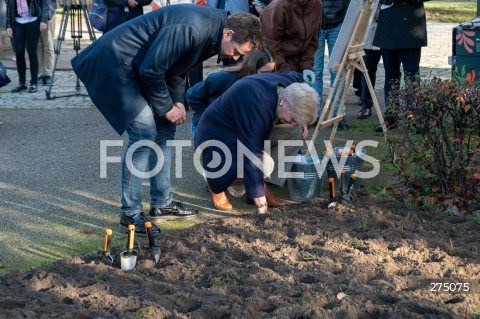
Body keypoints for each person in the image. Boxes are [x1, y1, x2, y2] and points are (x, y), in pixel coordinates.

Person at [71, 6, 263, 236]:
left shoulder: (212, 32)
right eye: (235, 52)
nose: (235, 58)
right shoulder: (193, 27)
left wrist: (178, 102)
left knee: (166, 129)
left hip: (139, 68)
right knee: (144, 133)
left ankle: (162, 203)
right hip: (115, 66)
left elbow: (176, 66)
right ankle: (129, 215)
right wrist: (166, 107)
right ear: (229, 34)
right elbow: (152, 70)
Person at [194, 72, 318, 214]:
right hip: (218, 139)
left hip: (242, 130)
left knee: (294, 132)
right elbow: (252, 155)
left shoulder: (289, 85)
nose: (294, 122)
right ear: (284, 101)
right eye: (294, 117)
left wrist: (302, 120)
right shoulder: (257, 106)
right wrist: (261, 205)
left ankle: (259, 186)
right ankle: (215, 182)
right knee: (265, 164)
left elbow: (298, 77)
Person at [187, 46, 276, 138]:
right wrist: (208, 116)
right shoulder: (224, 78)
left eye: (271, 72)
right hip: (209, 127)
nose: (268, 76)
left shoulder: (265, 84)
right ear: (252, 67)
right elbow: (192, 94)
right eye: (264, 72)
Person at [373, 0, 428, 131]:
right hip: (388, 26)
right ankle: (391, 117)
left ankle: (413, 118)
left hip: (411, 27)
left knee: (412, 76)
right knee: (391, 76)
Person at [260, 0, 322, 83]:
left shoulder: (317, 4)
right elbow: (270, 46)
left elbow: (313, 40)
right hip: (275, 65)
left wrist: (307, 65)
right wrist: (287, 73)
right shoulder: (279, 6)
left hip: (298, 66)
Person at [312, 0, 350, 129]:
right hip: (315, 25)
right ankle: (313, 114)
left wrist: (345, 23)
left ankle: (337, 114)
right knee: (315, 72)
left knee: (337, 71)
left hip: (337, 24)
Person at [6, 0, 48, 93]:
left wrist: (43, 20)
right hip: (17, 22)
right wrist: (8, 25)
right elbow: (9, 5)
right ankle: (22, 83)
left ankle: (34, 83)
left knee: (32, 51)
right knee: (19, 52)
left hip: (33, 21)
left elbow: (44, 2)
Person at [357, 1, 381, 120]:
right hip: (369, 33)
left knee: (393, 72)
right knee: (367, 71)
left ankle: (393, 109)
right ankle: (366, 105)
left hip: (391, 32)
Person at [37, 0, 56, 85]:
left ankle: (48, 74)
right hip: (33, 12)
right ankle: (40, 74)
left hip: (48, 10)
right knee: (37, 45)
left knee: (48, 44)